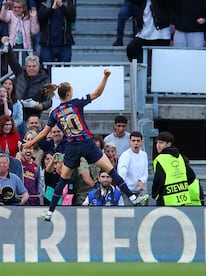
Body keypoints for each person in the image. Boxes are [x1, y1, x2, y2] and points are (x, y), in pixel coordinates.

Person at [23, 69, 149, 221]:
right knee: (110, 169)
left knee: (63, 180)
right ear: (69, 93)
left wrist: (29, 143)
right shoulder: (76, 103)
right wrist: (106, 76)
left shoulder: (54, 113)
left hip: (72, 146)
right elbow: (97, 93)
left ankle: (50, 212)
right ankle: (132, 196)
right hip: (87, 142)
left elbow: (43, 133)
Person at [3, 47, 50, 123]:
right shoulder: (20, 73)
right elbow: (12, 60)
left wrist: (41, 105)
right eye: (29, 66)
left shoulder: (45, 80)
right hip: (16, 112)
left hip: (33, 115)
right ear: (26, 66)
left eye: (34, 66)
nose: (31, 68)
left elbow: (49, 100)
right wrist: (7, 45)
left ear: (38, 67)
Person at [152, 131, 197, 206]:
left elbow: (159, 179)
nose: (158, 145)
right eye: (157, 143)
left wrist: (155, 194)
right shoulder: (180, 157)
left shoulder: (161, 158)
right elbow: (191, 176)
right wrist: (181, 186)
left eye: (161, 143)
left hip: (166, 199)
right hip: (182, 198)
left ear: (168, 144)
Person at [117, 131, 148, 205]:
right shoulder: (125, 155)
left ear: (142, 142)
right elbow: (122, 172)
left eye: (138, 141)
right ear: (129, 142)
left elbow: (145, 172)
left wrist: (141, 180)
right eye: (133, 141)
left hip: (140, 192)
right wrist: (121, 186)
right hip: (127, 193)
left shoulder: (144, 154)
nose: (136, 143)